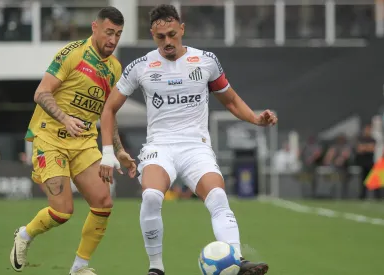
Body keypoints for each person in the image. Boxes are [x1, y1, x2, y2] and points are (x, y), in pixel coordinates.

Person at [99, 5, 277, 275]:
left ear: (182, 29)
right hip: (160, 146)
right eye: (161, 37)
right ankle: (156, 269)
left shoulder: (205, 61)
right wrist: (110, 152)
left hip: (196, 146)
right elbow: (109, 108)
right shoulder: (141, 66)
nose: (168, 42)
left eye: (172, 34)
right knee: (150, 197)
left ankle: (236, 261)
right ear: (152, 35)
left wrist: (255, 118)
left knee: (217, 195)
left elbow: (229, 99)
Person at [10, 7, 136, 275]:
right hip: (50, 138)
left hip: (83, 142)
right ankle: (24, 235)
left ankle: (78, 268)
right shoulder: (72, 54)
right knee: (62, 211)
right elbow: (41, 92)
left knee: (103, 203)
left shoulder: (114, 68)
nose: (113, 40)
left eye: (118, 34)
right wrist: (65, 118)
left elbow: (108, 112)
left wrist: (119, 150)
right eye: (109, 32)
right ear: (95, 28)